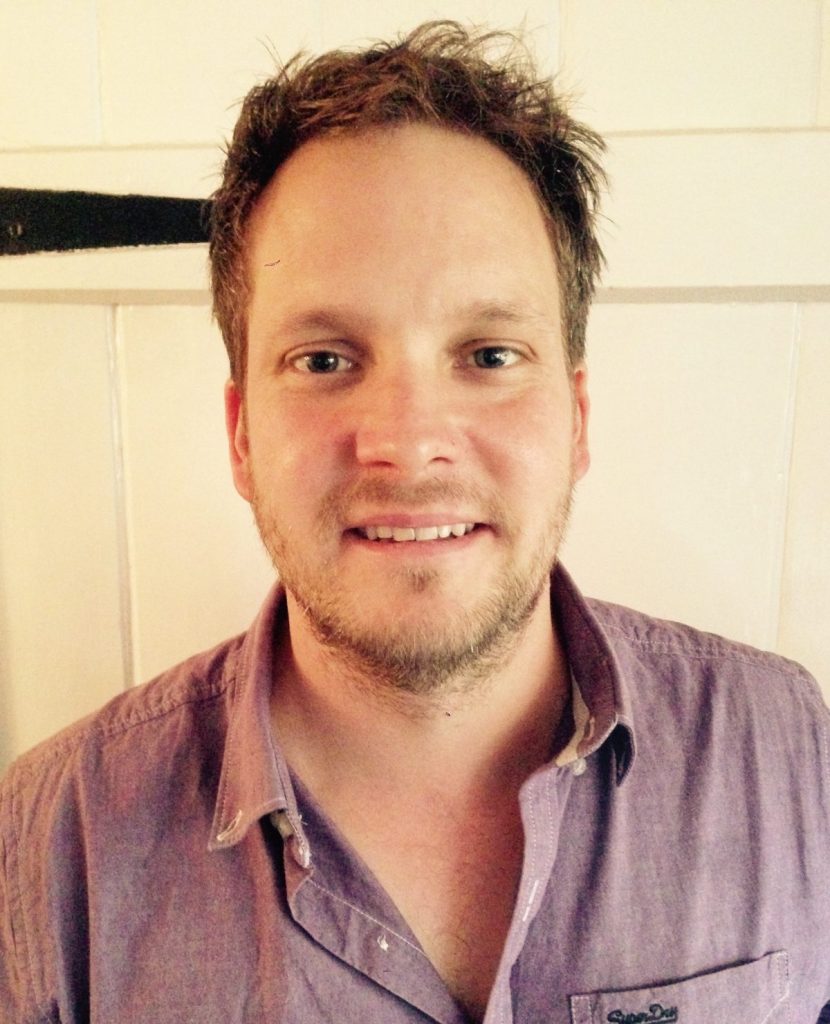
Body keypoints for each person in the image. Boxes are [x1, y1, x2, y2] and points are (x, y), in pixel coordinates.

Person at [1, 21, 828, 1024]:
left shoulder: (789, 753)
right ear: (241, 435)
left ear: (575, 420)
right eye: (323, 359)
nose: (408, 441)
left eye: (488, 355)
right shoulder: (52, 845)